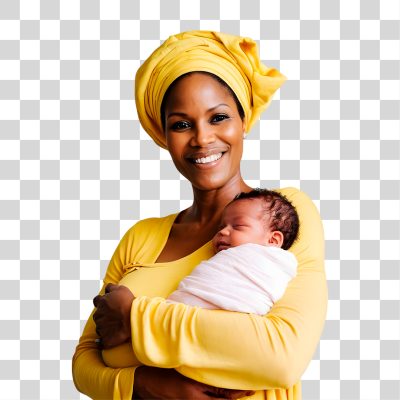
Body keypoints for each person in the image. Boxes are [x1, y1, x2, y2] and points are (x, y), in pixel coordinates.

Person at [72, 31, 327, 400]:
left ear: (243, 120)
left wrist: (134, 317)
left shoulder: (281, 215)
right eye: (181, 124)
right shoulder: (141, 237)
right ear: (164, 135)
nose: (202, 139)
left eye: (218, 117)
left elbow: (281, 358)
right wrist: (148, 385)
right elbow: (84, 361)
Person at [167, 189, 299, 315]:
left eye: (238, 226)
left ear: (273, 240)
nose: (223, 232)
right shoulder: (224, 260)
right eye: (222, 226)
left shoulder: (273, 265)